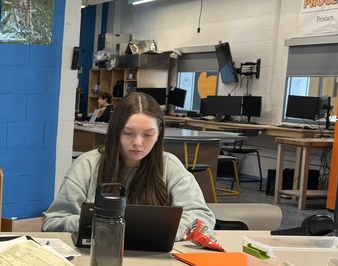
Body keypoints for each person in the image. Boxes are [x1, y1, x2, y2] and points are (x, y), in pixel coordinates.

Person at [43, 91, 215, 240]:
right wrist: (93, 224)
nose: (138, 142)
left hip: (154, 260)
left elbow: (202, 218)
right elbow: (53, 222)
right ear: (115, 131)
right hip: (98, 254)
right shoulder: (87, 165)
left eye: (148, 135)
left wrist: (157, 231)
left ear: (159, 134)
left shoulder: (169, 166)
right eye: (128, 133)